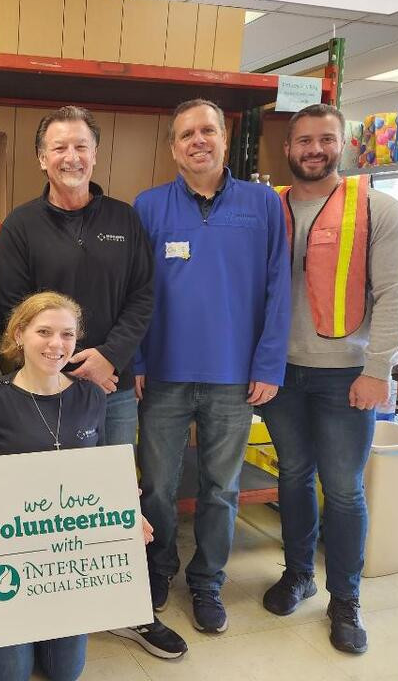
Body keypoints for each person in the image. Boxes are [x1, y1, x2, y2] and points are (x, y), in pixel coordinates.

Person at [0, 291, 180, 681]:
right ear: (20, 334)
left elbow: (98, 470)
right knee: (11, 675)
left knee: (65, 672)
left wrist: (125, 513)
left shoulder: (91, 395)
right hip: (15, 553)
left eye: (67, 334)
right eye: (44, 332)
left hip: (65, 565)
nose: (56, 344)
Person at [260, 104, 398, 654]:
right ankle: (298, 573)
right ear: (288, 148)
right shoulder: (269, 207)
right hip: (280, 374)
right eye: (303, 141)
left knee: (345, 490)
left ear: (343, 144)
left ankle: (345, 599)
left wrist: (379, 371)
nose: (314, 150)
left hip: (346, 376)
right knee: (293, 476)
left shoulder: (379, 209)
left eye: (325, 140)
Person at [133, 98, 291, 635]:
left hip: (233, 376)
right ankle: (155, 571)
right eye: (185, 134)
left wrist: (269, 364)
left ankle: (207, 581)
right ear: (173, 147)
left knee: (220, 489)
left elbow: (278, 289)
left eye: (207, 131)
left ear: (225, 139)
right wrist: (134, 359)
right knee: (156, 485)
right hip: (164, 373)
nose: (197, 141)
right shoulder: (149, 207)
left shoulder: (264, 204)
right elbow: (135, 293)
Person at [0, 105, 155, 445]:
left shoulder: (124, 219)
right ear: (41, 158)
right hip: (45, 392)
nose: (72, 157)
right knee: (52, 493)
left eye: (81, 147)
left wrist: (109, 358)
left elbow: (142, 296)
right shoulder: (20, 227)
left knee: (114, 491)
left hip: (113, 388)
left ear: (95, 154)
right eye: (59, 148)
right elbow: (12, 313)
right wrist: (61, 375)